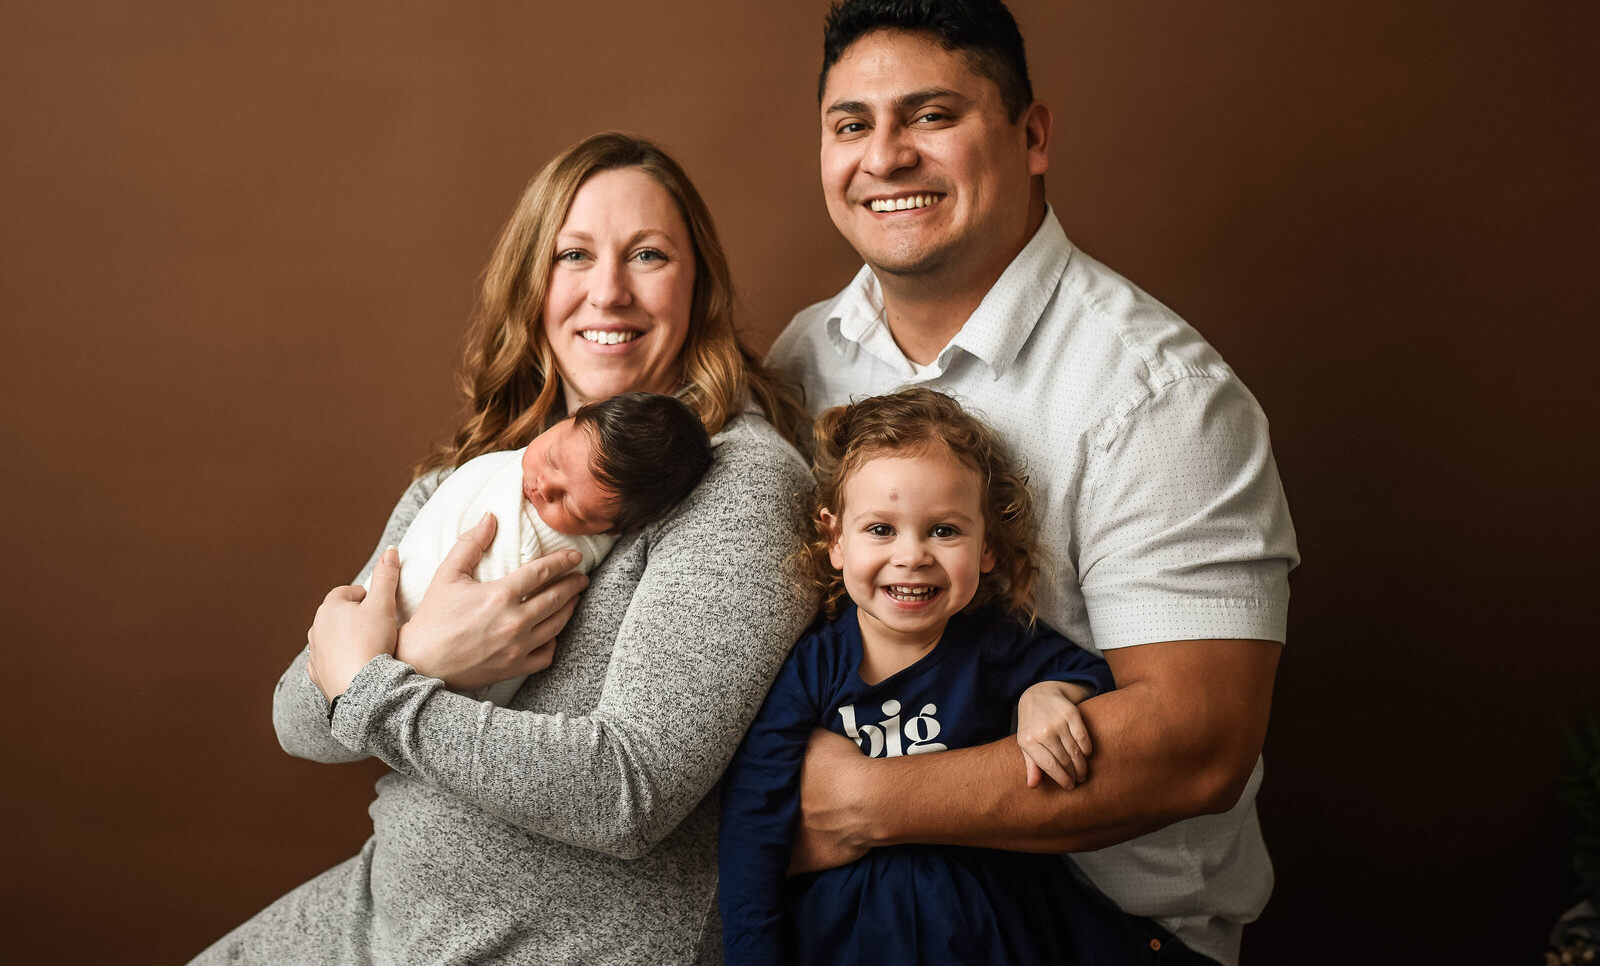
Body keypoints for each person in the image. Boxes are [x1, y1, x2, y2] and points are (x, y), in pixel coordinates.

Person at [767, 0, 1299, 964]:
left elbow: (1199, 743)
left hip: (1096, 931)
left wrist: (865, 802)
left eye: (930, 115)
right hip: (847, 921)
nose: (885, 156)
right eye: (850, 124)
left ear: (1032, 134)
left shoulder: (1160, 394)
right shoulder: (802, 359)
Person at [192, 132, 814, 965]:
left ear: (698, 284)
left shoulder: (739, 483)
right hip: (377, 917)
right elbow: (300, 718)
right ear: (534, 281)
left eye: (649, 255)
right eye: (573, 256)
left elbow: (628, 793)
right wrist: (424, 655)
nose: (609, 292)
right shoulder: (488, 472)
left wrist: (380, 686)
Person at [720, 388, 1187, 965]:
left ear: (987, 546)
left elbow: (1091, 675)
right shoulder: (809, 670)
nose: (912, 555)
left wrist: (1048, 693)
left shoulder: (997, 645)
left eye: (944, 530)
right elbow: (752, 829)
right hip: (848, 936)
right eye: (880, 530)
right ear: (835, 538)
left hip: (987, 927)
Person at [381, 390, 714, 707]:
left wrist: (400, 667)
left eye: (569, 504)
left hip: (413, 679)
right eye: (553, 460)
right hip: (381, 629)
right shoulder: (481, 466)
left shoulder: (548, 546)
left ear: (618, 530)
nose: (543, 487)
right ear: (574, 415)